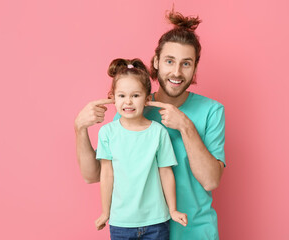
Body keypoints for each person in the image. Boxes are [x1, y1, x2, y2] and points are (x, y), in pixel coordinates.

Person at [75, 9, 225, 240]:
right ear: (156, 62)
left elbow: (211, 180)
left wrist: (185, 126)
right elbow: (95, 175)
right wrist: (80, 129)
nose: (176, 71)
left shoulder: (212, 111)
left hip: (194, 231)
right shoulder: (132, 109)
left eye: (186, 63)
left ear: (195, 67)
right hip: (140, 231)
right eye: (169, 61)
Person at [94, 58, 187, 239]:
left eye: (135, 96)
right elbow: (106, 174)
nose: (128, 102)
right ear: (113, 98)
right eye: (122, 96)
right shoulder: (107, 133)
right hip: (121, 223)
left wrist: (173, 210)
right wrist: (105, 213)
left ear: (146, 99)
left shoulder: (158, 132)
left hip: (156, 222)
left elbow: (166, 172)